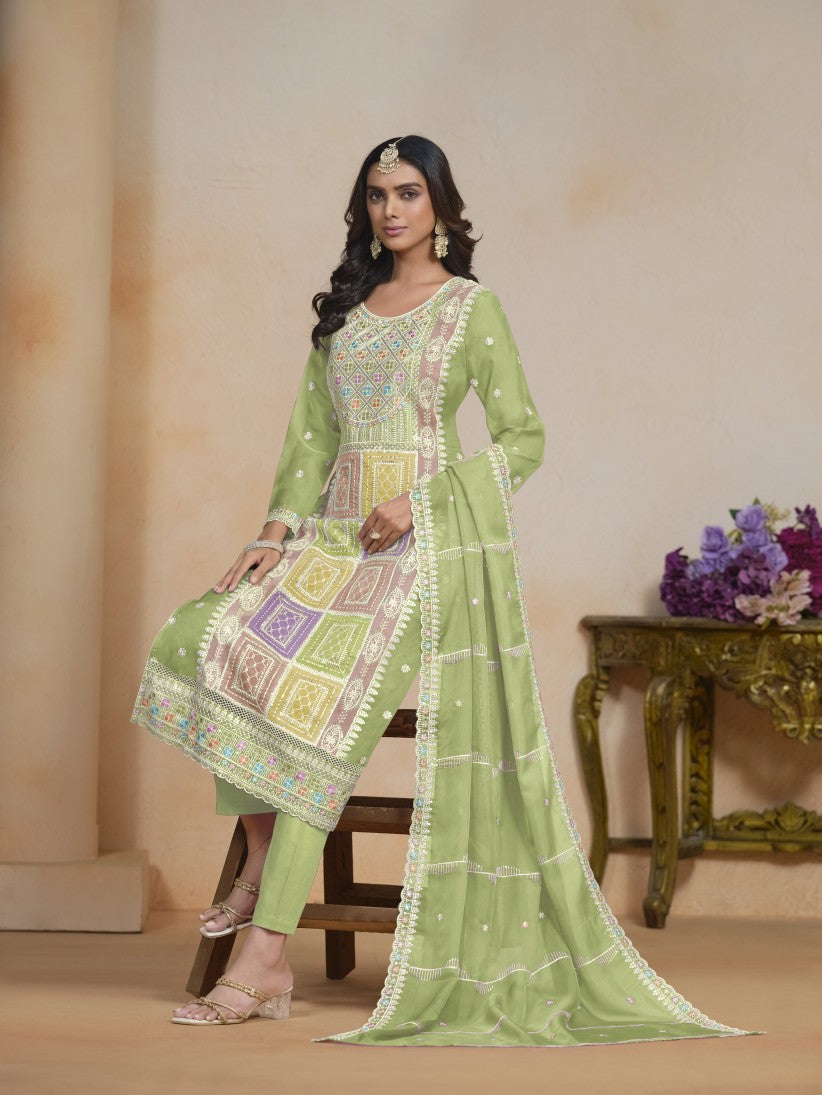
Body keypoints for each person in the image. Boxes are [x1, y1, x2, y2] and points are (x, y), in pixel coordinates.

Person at [132, 135, 750, 1044]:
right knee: (206, 632)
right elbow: (310, 442)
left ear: (442, 207)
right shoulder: (347, 314)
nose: (391, 210)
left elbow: (523, 439)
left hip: (419, 553)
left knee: (316, 719)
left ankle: (263, 959)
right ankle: (261, 856)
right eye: (377, 194)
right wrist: (271, 536)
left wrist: (419, 501)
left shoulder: (469, 309)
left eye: (409, 193)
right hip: (332, 542)